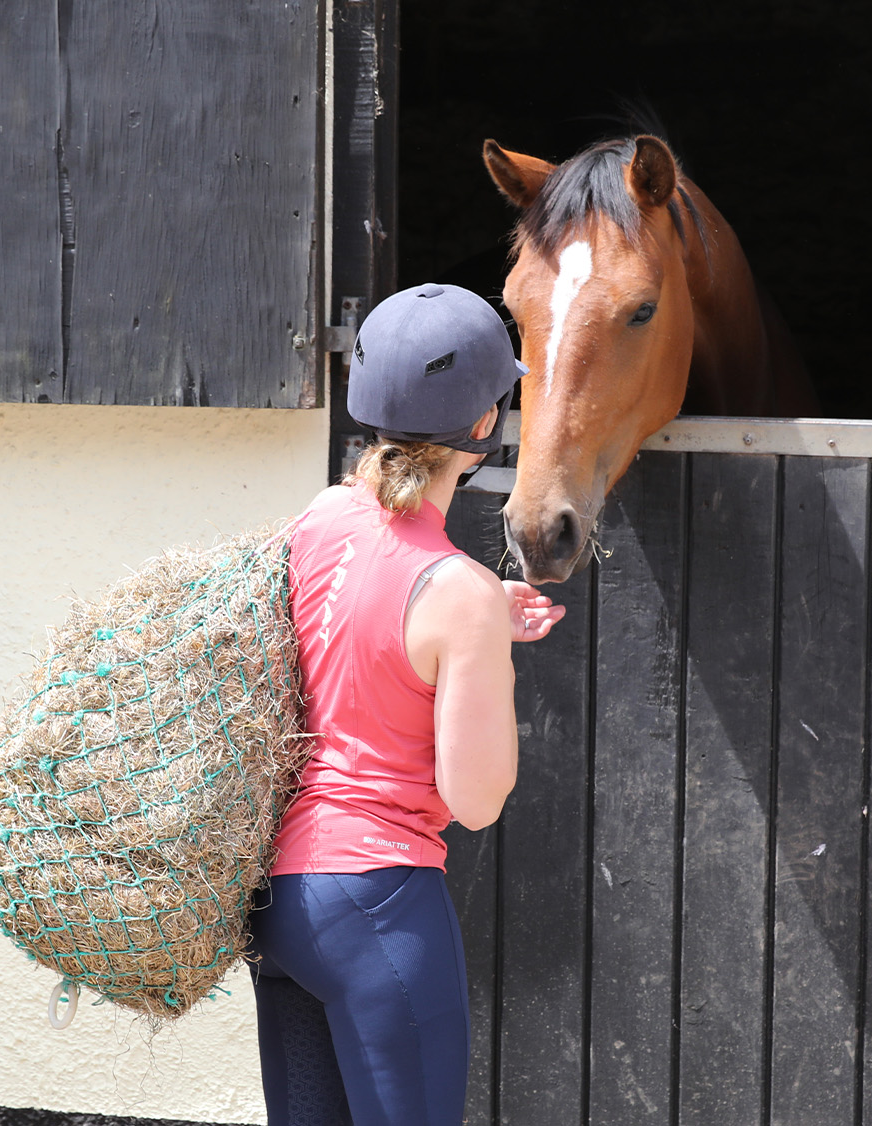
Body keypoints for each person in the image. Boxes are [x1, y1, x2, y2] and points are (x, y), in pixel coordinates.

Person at [248, 283, 566, 1125]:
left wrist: (478, 615)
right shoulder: (456, 593)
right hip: (376, 905)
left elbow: (353, 627)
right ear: (484, 428)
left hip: (279, 904)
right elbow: (476, 799)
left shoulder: (320, 518)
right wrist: (480, 642)